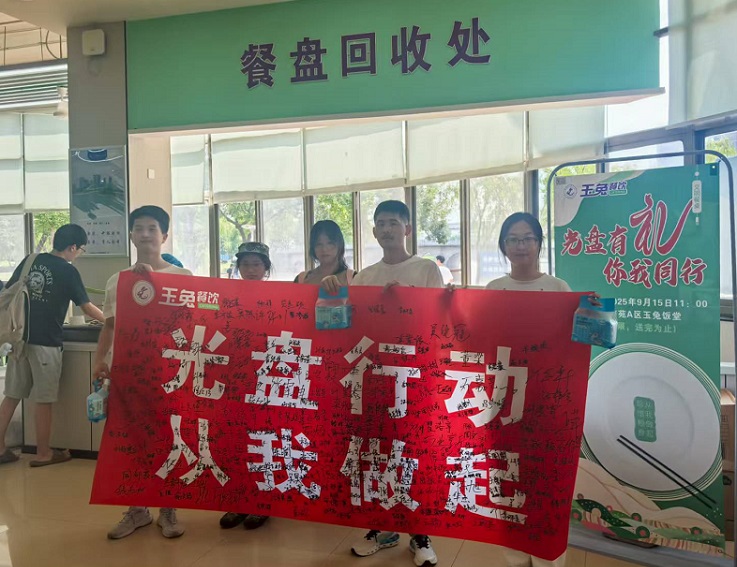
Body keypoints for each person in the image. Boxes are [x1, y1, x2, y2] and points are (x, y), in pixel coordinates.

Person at [322, 200, 442, 567]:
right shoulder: (363, 278)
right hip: (373, 377)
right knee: (376, 451)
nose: (387, 229)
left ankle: (419, 533)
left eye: (394, 222)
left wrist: (406, 300)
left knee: (411, 454)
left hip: (413, 377)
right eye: (381, 224)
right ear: (374, 232)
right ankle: (380, 526)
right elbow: (349, 326)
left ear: (407, 229)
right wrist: (331, 292)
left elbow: (436, 323)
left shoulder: (426, 269)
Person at [93, 206, 192, 540]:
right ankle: (137, 510)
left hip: (169, 375)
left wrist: (151, 280)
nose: (146, 234)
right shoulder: (117, 280)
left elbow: (191, 323)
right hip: (127, 375)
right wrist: (100, 360)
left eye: (152, 228)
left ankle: (168, 509)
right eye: (139, 228)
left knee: (168, 439)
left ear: (165, 236)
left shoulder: (182, 277)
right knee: (130, 440)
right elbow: (110, 326)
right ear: (132, 236)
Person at [486, 212, 569, 567]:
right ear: (504, 246)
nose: (520, 246)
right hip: (505, 398)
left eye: (527, 238)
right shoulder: (493, 290)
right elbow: (479, 337)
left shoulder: (558, 289)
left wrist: (592, 311)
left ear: (538, 243)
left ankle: (548, 557)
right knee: (510, 476)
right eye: (513, 239)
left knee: (545, 477)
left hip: (546, 399)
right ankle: (516, 556)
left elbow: (574, 341)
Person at [0, 224, 104, 467]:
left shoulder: (30, 260)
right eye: (80, 250)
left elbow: (8, 292)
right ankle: (43, 453)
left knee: (12, 396)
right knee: (43, 400)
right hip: (46, 343)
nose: (78, 254)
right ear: (73, 247)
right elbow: (86, 307)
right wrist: (112, 322)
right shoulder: (68, 270)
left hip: (19, 339)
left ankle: (0, 447)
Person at [219, 241, 273, 531]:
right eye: (246, 264)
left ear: (266, 268)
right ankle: (238, 500)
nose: (251, 269)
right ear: (238, 267)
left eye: (257, 264)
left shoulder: (280, 298)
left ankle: (262, 502)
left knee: (263, 440)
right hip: (235, 381)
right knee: (236, 440)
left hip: (265, 381)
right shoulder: (227, 297)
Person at [295, 220, 355, 285]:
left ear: (339, 245)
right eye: (319, 244)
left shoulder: (353, 277)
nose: (324, 249)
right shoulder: (302, 279)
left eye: (330, 243)